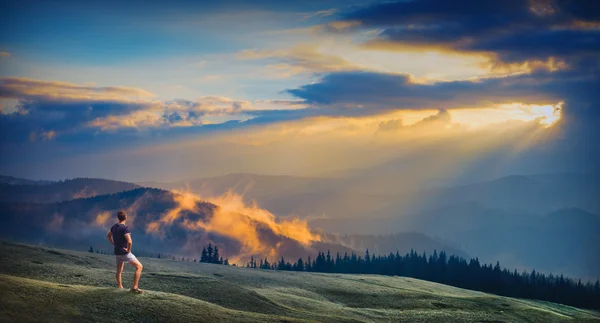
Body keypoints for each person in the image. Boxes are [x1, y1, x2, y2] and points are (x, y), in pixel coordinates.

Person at [106, 210, 143, 293]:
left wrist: (114, 243)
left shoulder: (114, 226)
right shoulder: (125, 228)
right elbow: (129, 241)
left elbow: (108, 236)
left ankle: (120, 286)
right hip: (124, 252)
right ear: (125, 217)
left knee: (119, 271)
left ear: (118, 218)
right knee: (139, 267)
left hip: (117, 252)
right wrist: (128, 250)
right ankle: (135, 287)